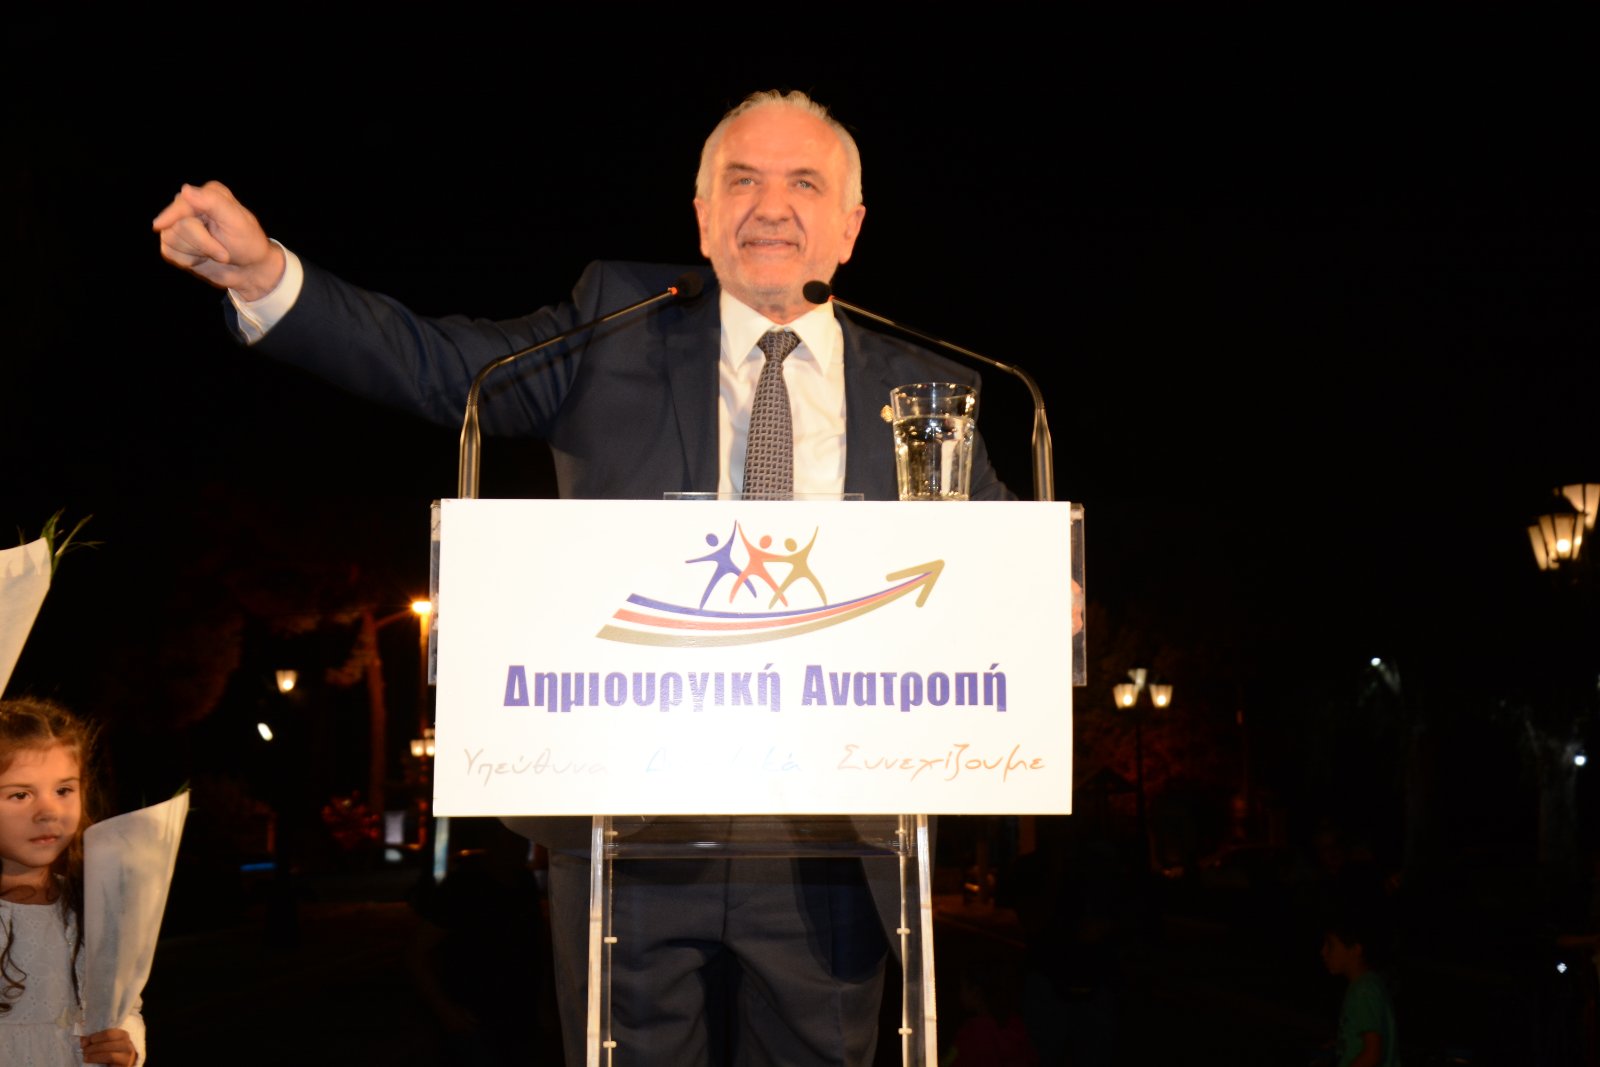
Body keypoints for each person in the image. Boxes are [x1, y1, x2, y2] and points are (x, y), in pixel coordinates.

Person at [153, 88, 1017, 1066]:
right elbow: (437, 363)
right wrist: (267, 276)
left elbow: (1000, 571)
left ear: (851, 225)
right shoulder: (615, 323)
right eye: (742, 181)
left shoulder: (927, 388)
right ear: (702, 215)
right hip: (628, 818)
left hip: (832, 837)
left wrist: (1041, 604)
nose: (771, 207)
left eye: (804, 184)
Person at [0, 696, 145, 1066]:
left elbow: (126, 1006)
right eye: (20, 794)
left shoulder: (92, 903)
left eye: (63, 790)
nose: (49, 812)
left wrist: (127, 1050)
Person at [1317, 907, 1400, 1067]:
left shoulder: (1363, 991)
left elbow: (1372, 1054)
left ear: (1355, 950)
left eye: (1330, 945)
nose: (1323, 952)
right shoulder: (1370, 984)